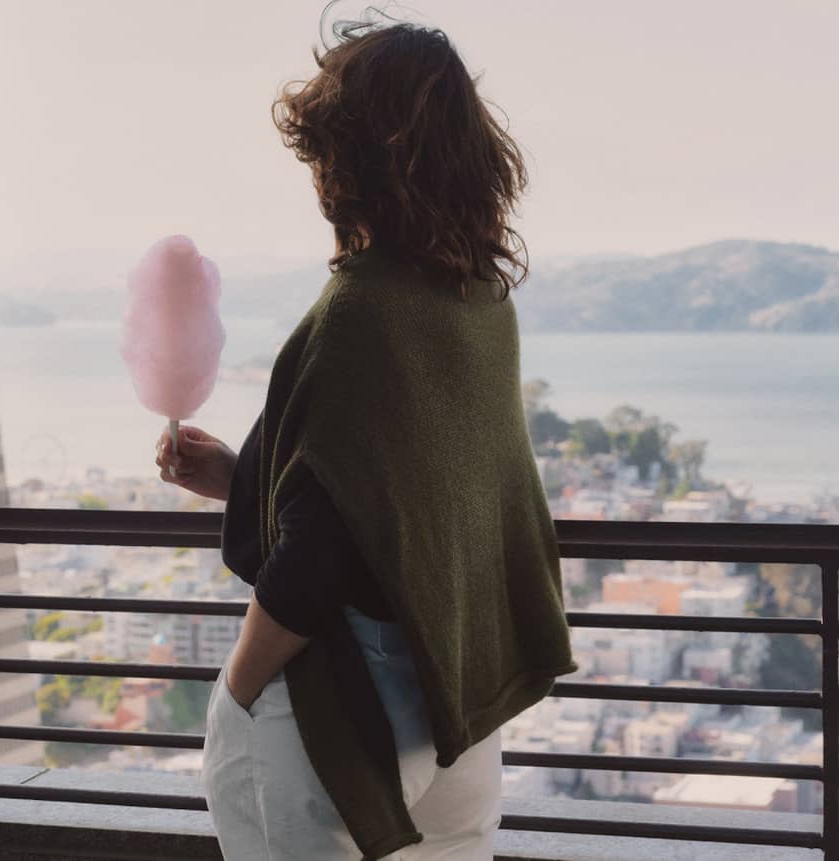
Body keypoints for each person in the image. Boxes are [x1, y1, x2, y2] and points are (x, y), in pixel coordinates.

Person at [153, 16, 576, 861]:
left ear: (347, 160)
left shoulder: (358, 314)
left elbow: (323, 554)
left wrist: (239, 685)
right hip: (454, 707)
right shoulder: (481, 303)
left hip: (339, 706)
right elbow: (404, 493)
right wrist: (242, 475)